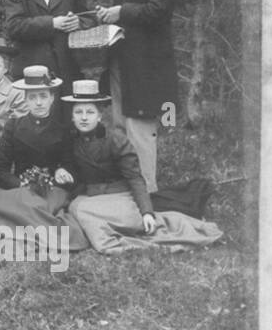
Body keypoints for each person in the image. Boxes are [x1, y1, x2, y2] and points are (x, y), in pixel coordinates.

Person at [62, 81, 223, 254]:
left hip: (119, 196)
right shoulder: (71, 140)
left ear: (100, 115)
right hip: (92, 196)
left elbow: (135, 178)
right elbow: (72, 167)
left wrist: (146, 212)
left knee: (83, 210)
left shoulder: (116, 140)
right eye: (78, 112)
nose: (84, 117)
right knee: (75, 207)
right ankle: (106, 232)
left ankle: (118, 237)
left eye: (90, 112)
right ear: (72, 116)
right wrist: (63, 172)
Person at [94, 0, 177, 195]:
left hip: (147, 64)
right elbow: (130, 10)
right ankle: (128, 183)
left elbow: (157, 12)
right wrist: (109, 13)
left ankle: (147, 189)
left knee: (140, 125)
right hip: (122, 59)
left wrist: (121, 11)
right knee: (119, 123)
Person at [0, 65, 86, 251]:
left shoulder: (63, 130)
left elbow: (72, 167)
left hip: (52, 189)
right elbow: (0, 169)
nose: (38, 103)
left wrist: (63, 171)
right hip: (22, 187)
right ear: (25, 99)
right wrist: (20, 184)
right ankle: (36, 230)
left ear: (52, 98)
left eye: (43, 96)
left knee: (38, 206)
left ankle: (29, 231)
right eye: (33, 97)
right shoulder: (14, 126)